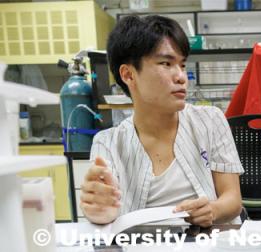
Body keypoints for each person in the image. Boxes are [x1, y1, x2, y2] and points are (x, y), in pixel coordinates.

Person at [80, 15, 244, 226]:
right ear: (128, 75)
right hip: (143, 251)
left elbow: (233, 199)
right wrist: (98, 209)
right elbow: (104, 213)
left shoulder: (210, 120)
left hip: (208, 247)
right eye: (166, 63)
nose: (181, 77)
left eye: (182, 65)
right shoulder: (108, 143)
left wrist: (212, 210)